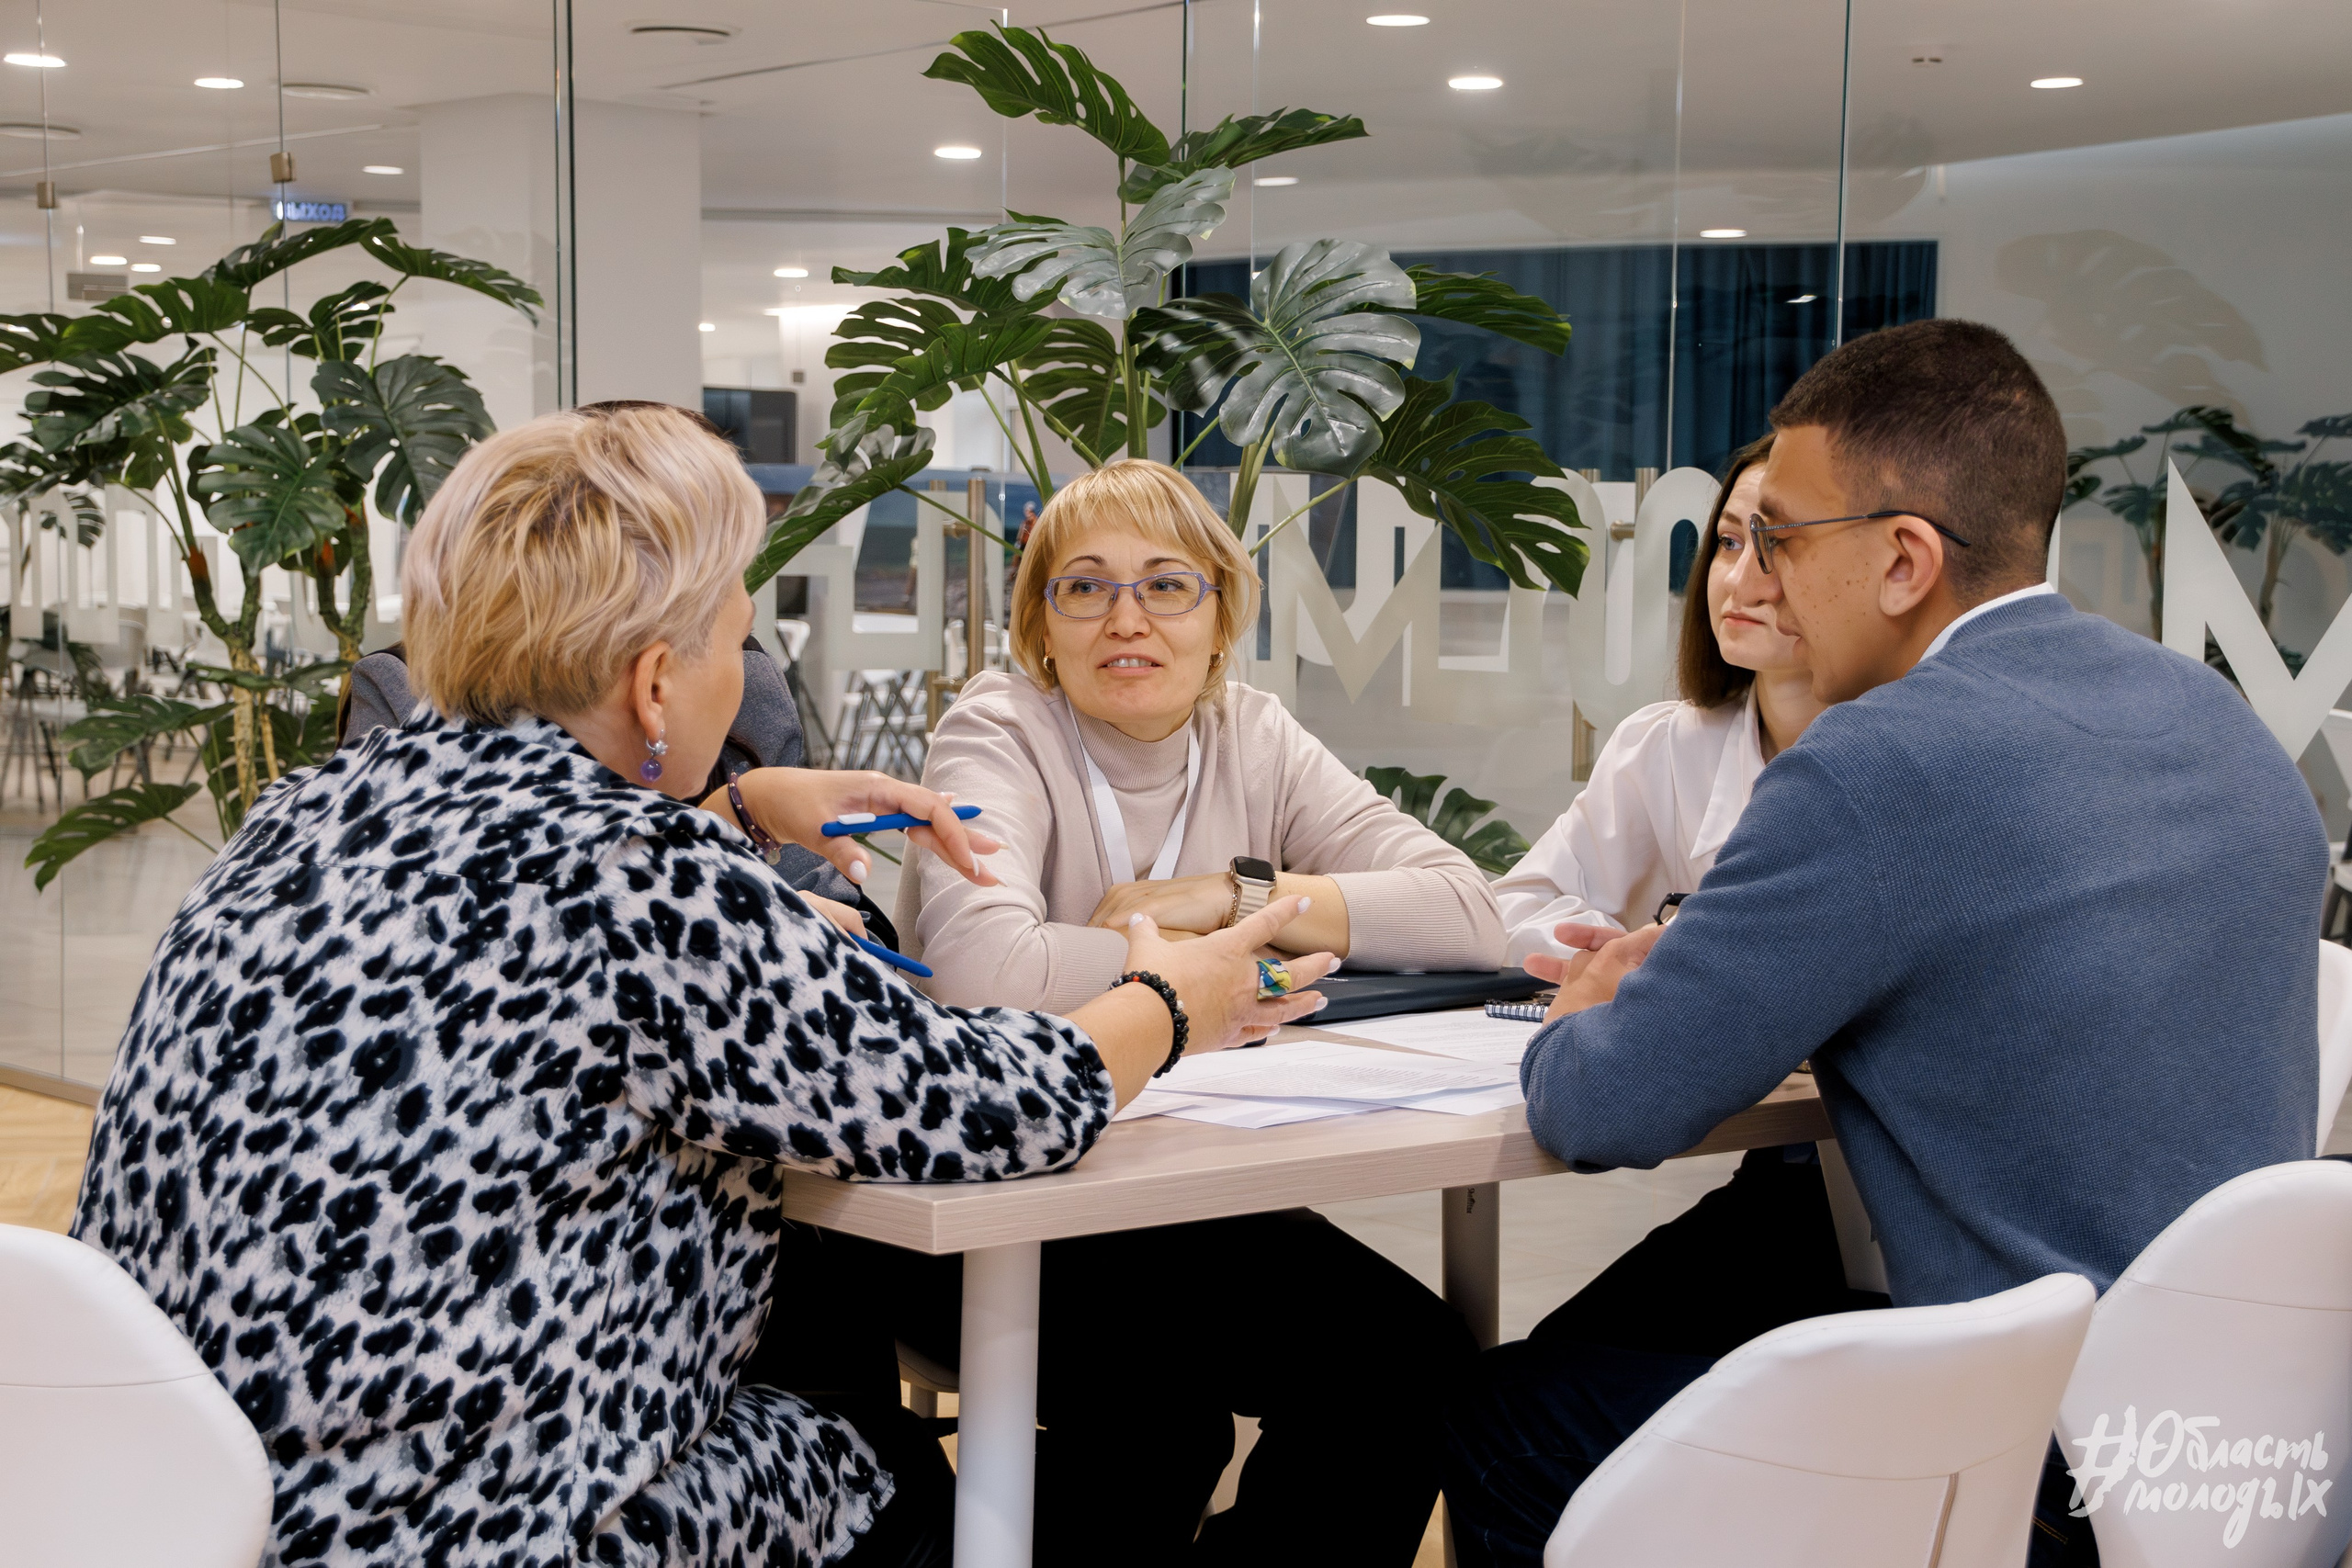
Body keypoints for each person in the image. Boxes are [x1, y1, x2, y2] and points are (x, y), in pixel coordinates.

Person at [72, 405, 1333, 1568]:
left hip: (199, 1501)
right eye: (735, 636)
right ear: (654, 685)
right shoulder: (638, 872)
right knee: (899, 1473)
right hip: (483, 1525)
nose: (744, 670)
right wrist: (1174, 1000)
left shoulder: (305, 814)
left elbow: (541, 935)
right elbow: (990, 1105)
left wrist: (735, 809)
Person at [1439, 319, 2325, 1568]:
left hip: (2034, 1473)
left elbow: (1608, 1108)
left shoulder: (1874, 765)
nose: (1759, 577)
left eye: (1782, 538)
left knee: (1505, 1416)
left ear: (1905, 559)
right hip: (2245, 1458)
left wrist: (1584, 1015)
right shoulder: (2215, 717)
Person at [855, 458, 1495, 1566]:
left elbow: (1470, 911)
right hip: (993, 1201)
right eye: (1084, 587)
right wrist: (1209, 976)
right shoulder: (1000, 727)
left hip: (1178, 1198)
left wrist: (1236, 899)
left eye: (1166, 585)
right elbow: (979, 971)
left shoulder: (1253, 734)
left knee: (1411, 1365)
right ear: (1039, 624)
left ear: (1220, 615)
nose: (1126, 619)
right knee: (1156, 1423)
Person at [1490, 434, 1877, 1363]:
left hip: (1882, 1195)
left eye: (1779, 548)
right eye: (1729, 543)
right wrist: (1630, 959)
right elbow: (1520, 903)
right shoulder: (1669, 744)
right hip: (1788, 1176)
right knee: (1526, 1376)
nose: (1739, 580)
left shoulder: (1901, 762)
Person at [334, 400, 890, 945]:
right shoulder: (403, 691)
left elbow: (846, 915)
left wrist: (737, 822)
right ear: (655, 684)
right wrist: (735, 868)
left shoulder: (300, 813)